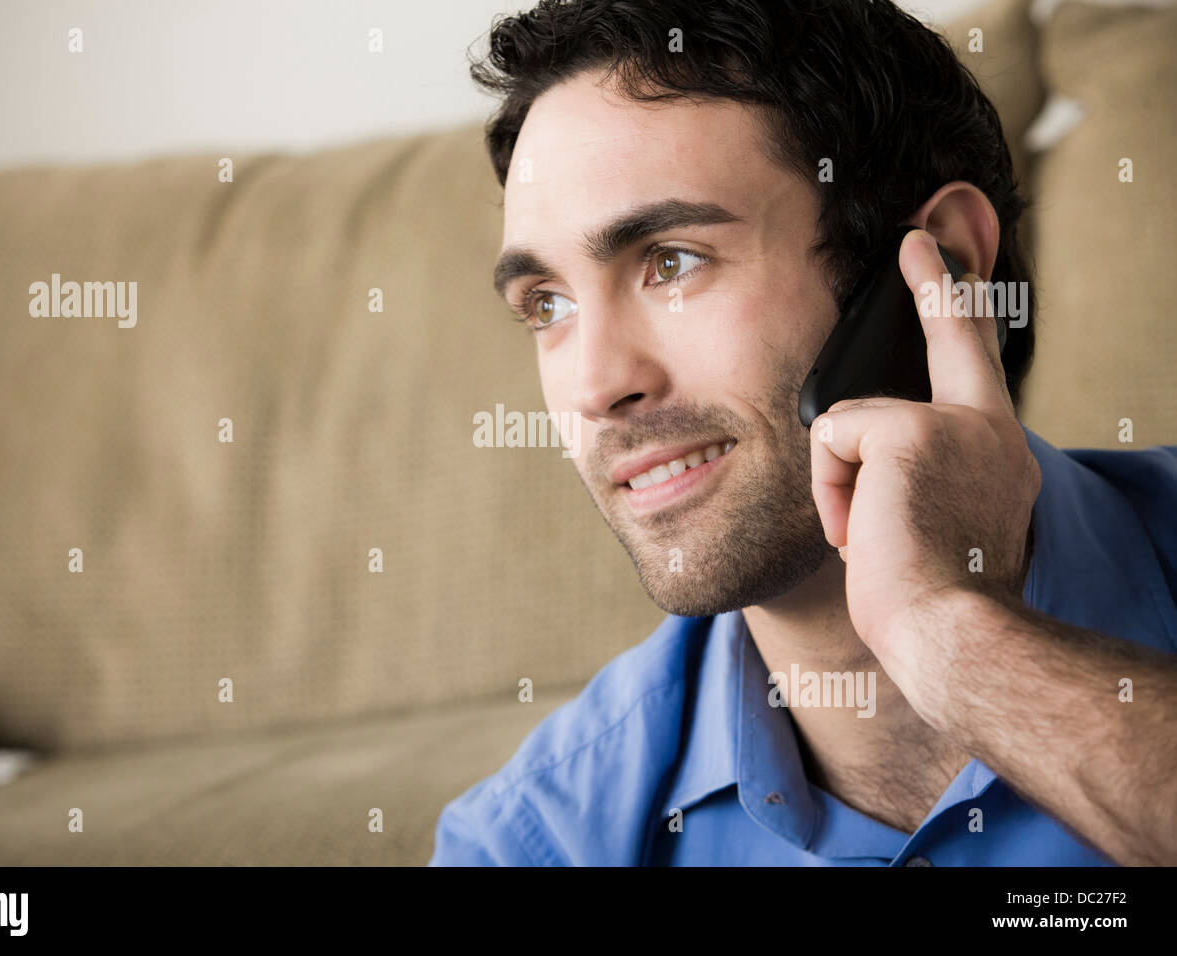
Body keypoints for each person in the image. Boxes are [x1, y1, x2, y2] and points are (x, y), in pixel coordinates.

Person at [430, 0, 1177, 866]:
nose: (595, 387)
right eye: (546, 305)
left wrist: (953, 633)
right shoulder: (532, 841)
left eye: (671, 262)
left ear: (944, 272)